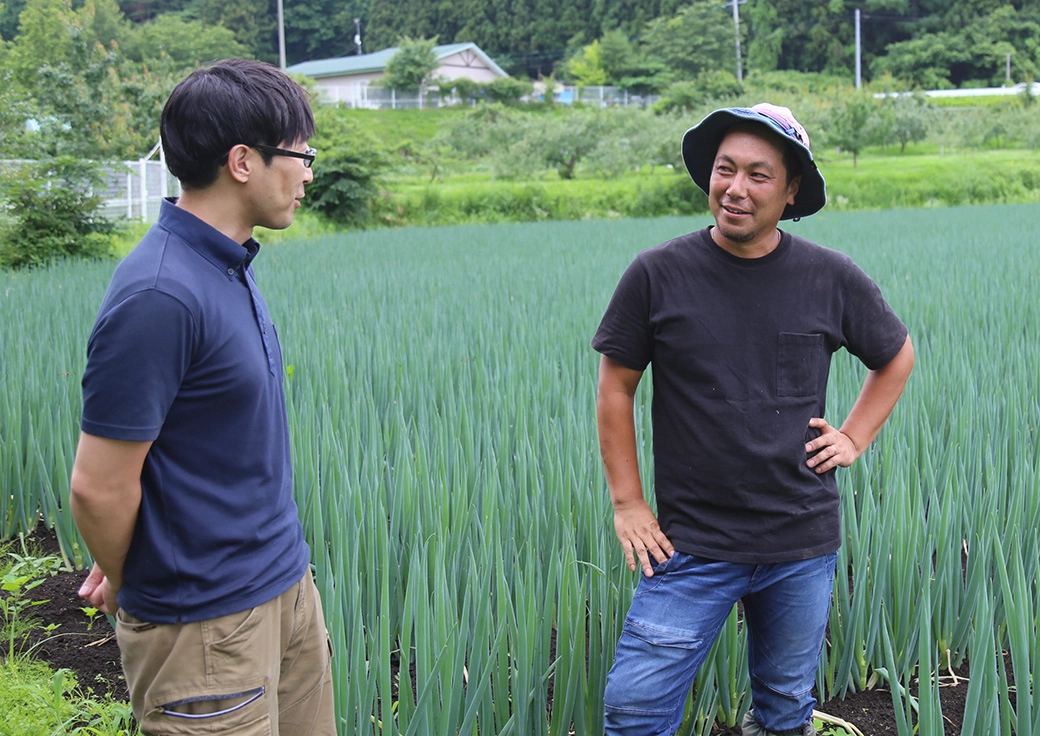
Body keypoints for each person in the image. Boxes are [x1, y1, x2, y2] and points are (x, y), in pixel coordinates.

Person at [592, 103, 915, 736]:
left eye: (758, 175)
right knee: (633, 709)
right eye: (725, 170)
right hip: (690, 544)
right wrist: (628, 502)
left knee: (784, 705)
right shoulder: (659, 274)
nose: (735, 189)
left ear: (791, 189)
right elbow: (615, 388)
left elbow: (896, 355)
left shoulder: (829, 277)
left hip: (799, 539)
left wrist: (854, 436)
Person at [69, 58, 336, 736]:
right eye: (301, 154)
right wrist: (131, 576)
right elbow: (99, 487)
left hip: (284, 590)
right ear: (243, 161)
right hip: (205, 628)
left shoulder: (226, 263)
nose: (308, 171)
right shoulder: (159, 294)